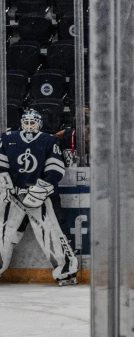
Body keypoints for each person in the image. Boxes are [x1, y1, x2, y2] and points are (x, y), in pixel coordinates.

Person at [0, 109, 78, 286]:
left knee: (50, 232)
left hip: (40, 197)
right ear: (21, 122)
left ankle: (66, 271)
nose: (29, 126)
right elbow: (1, 165)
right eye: (26, 122)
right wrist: (4, 184)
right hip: (12, 196)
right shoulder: (7, 139)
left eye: (32, 123)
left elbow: (56, 169)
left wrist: (41, 188)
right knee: (2, 232)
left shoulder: (49, 141)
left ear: (39, 124)